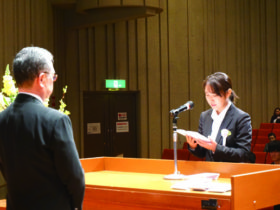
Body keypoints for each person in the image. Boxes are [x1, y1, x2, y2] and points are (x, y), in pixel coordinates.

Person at [0, 47, 85, 209]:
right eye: (53, 77)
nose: (53, 80)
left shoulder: (1, 120)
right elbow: (74, 176)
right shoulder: (56, 120)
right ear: (42, 79)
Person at [185, 72, 252, 162]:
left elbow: (244, 154)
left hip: (230, 172)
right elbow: (202, 153)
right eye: (207, 95)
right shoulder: (205, 116)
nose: (211, 100)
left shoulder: (241, 118)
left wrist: (216, 148)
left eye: (215, 95)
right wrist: (194, 146)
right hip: (209, 171)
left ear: (228, 93)